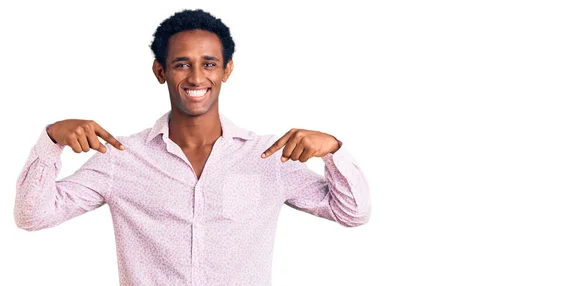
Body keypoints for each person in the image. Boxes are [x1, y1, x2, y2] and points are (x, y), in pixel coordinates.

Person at [14, 9, 371, 286]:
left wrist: (333, 150)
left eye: (209, 64)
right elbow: (33, 216)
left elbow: (353, 213)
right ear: (160, 71)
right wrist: (52, 140)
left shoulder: (268, 157)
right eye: (182, 64)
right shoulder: (120, 158)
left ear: (227, 70)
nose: (197, 78)